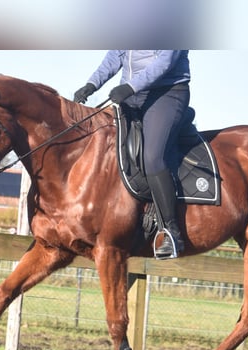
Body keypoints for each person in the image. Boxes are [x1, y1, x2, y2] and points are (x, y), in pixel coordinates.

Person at [73, 50, 191, 259]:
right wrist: (92, 84)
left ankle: (172, 232)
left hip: (166, 93)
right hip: (132, 95)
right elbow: (115, 56)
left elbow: (165, 62)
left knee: (152, 158)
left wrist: (130, 86)